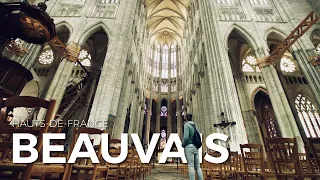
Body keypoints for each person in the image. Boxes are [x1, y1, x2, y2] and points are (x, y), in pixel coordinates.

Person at [182, 114, 204, 180]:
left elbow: (186, 137)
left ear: (186, 118)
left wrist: (183, 144)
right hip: (195, 147)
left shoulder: (187, 125)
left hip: (189, 147)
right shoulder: (195, 125)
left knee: (191, 166)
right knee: (198, 167)